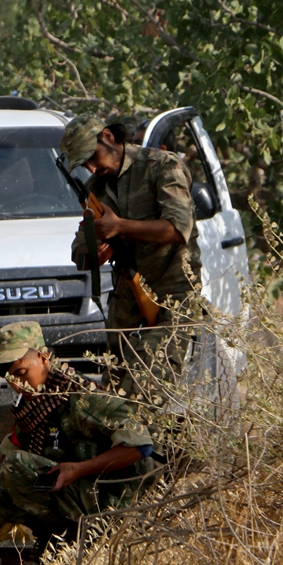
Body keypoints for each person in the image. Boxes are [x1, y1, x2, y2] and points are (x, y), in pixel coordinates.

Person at [0, 322, 158, 545]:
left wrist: (79, 469)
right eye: (9, 379)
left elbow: (141, 446)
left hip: (114, 498)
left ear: (44, 358)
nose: (16, 386)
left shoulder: (80, 396)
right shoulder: (34, 405)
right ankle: (52, 536)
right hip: (74, 491)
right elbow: (7, 455)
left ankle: (74, 540)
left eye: (21, 373)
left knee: (18, 464)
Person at [60, 113, 200, 399]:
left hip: (173, 297)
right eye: (83, 163)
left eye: (92, 155)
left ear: (109, 137)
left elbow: (178, 228)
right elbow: (79, 253)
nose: (91, 167)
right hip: (127, 303)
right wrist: (95, 249)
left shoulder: (162, 166)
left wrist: (120, 227)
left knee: (149, 384)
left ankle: (147, 443)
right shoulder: (95, 191)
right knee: (116, 387)